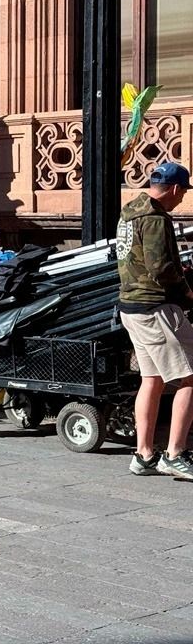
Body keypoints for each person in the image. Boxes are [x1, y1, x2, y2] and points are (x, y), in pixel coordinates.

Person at [117, 162, 193, 480]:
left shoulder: (129, 213)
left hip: (131, 307)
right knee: (190, 377)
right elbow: (160, 268)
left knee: (152, 379)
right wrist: (186, 291)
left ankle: (144, 454)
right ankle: (175, 454)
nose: (182, 198)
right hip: (155, 308)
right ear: (174, 188)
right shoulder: (155, 218)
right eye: (183, 192)